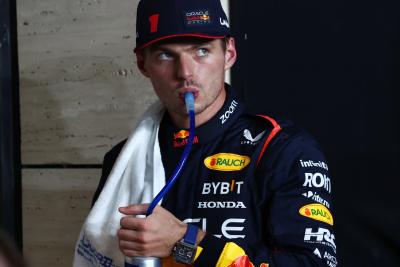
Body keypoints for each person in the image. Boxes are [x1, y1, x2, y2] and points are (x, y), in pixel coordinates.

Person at [76, 0, 337, 266]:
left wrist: (185, 240)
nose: (185, 73)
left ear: (229, 53)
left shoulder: (281, 149)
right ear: (143, 64)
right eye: (165, 55)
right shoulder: (123, 160)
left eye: (201, 51)